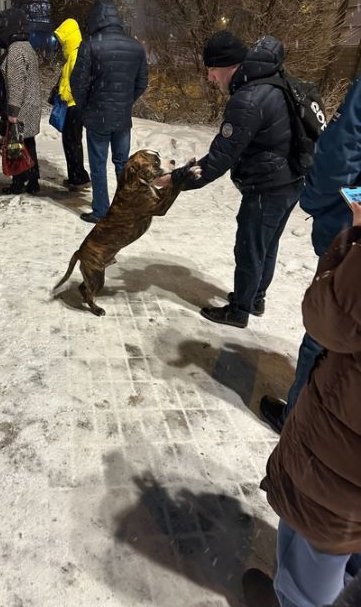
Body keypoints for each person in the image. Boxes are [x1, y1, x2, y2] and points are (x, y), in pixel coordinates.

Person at [242, 202, 361, 607]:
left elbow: (327, 317)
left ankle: (292, 599)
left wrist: (355, 236)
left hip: (343, 453)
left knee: (317, 537)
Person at [157, 31, 303, 328]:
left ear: (229, 66)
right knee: (267, 244)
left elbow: (218, 160)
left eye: (211, 69)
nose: (210, 77)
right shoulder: (271, 78)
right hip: (291, 178)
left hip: (268, 184)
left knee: (249, 246)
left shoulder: (247, 99)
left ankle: (239, 311)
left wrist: (175, 179)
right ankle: (255, 298)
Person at [259, 76, 361, 433]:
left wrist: (317, 204)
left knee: (328, 326)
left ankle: (297, 423)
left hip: (351, 235)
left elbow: (338, 153)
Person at [70, 0, 148, 223]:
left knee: (98, 164)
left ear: (96, 19)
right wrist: (125, 101)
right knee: (123, 164)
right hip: (122, 118)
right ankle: (125, 210)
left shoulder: (90, 45)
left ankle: (101, 210)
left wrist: (86, 107)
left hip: (97, 117)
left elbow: (78, 83)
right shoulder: (135, 47)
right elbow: (142, 82)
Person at [0, 8, 41, 195]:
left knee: (17, 146)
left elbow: (15, 84)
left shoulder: (15, 51)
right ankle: (33, 181)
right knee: (28, 144)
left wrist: (12, 113)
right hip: (31, 105)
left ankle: (18, 182)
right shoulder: (27, 47)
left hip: (20, 108)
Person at [53, 18, 90, 189]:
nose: (61, 44)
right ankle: (76, 175)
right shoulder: (75, 54)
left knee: (72, 141)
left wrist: (64, 94)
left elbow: (76, 82)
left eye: (63, 39)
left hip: (74, 105)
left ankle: (78, 177)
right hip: (73, 105)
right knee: (71, 140)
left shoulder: (76, 55)